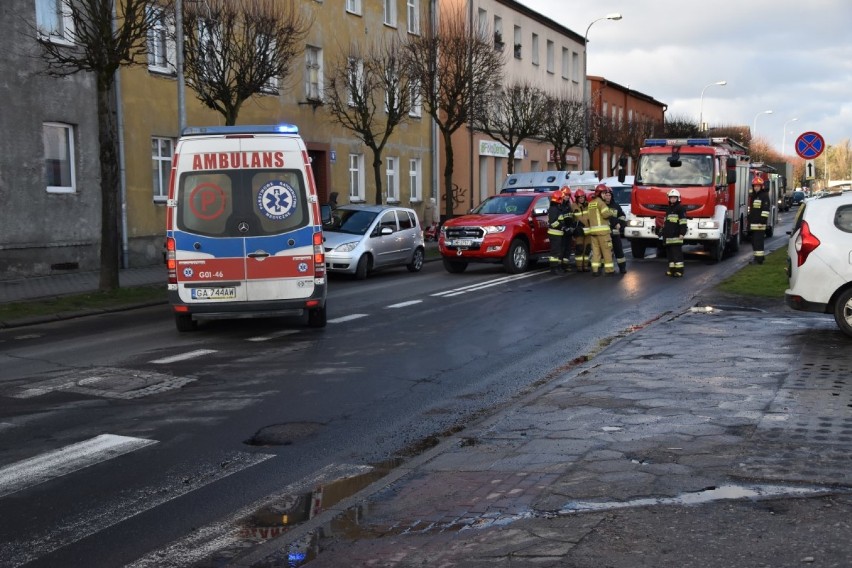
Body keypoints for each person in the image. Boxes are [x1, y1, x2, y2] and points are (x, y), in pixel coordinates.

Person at [586, 185, 615, 276]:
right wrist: (611, 212)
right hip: (603, 233)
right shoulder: (601, 203)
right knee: (607, 251)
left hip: (593, 232)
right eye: (603, 193)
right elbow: (606, 214)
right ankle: (609, 270)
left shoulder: (590, 203)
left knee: (596, 252)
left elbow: (588, 217)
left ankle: (595, 270)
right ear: (599, 193)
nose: (605, 195)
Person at [598, 183, 628, 274]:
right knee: (604, 252)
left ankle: (622, 267)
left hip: (615, 233)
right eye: (606, 195)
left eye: (609, 195)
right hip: (605, 233)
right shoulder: (601, 206)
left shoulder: (616, 205)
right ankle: (600, 268)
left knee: (619, 250)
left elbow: (622, 216)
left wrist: (620, 224)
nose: (607, 197)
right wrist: (615, 222)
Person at [661, 189, 688, 277]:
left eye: (674, 197)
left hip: (676, 236)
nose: (672, 199)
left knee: (677, 255)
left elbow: (683, 222)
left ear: (678, 198)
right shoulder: (668, 209)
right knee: (670, 256)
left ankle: (679, 271)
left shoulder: (680, 208)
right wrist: (662, 232)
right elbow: (666, 223)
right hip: (668, 237)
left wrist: (682, 233)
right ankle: (672, 270)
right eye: (671, 197)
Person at [748, 175, 770, 265]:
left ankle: (759, 260)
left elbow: (765, 210)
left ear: (761, 186)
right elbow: (753, 211)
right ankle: (758, 258)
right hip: (754, 224)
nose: (756, 187)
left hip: (760, 224)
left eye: (758, 186)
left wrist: (762, 221)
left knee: (758, 242)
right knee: (754, 242)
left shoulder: (764, 196)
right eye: (755, 186)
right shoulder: (754, 196)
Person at [546, 190, 569, 274]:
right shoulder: (553, 209)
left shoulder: (556, 208)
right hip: (554, 233)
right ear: (559, 199)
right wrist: (561, 226)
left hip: (558, 233)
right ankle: (554, 268)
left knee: (557, 251)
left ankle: (557, 267)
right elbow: (553, 223)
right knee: (555, 252)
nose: (563, 200)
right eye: (562, 198)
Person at [572, 189, 591, 272]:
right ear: (576, 198)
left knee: (587, 249)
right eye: (579, 197)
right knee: (579, 249)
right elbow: (571, 219)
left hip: (589, 231)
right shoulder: (573, 206)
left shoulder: (589, 205)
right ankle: (579, 267)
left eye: (583, 197)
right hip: (579, 231)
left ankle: (585, 266)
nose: (581, 199)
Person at [558, 186, 576, 272]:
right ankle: (559, 266)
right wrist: (564, 228)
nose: (567, 197)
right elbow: (558, 219)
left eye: (569, 195)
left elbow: (571, 218)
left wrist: (572, 227)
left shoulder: (569, 206)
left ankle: (565, 265)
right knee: (561, 249)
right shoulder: (559, 206)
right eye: (566, 195)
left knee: (568, 249)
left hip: (569, 232)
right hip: (562, 232)